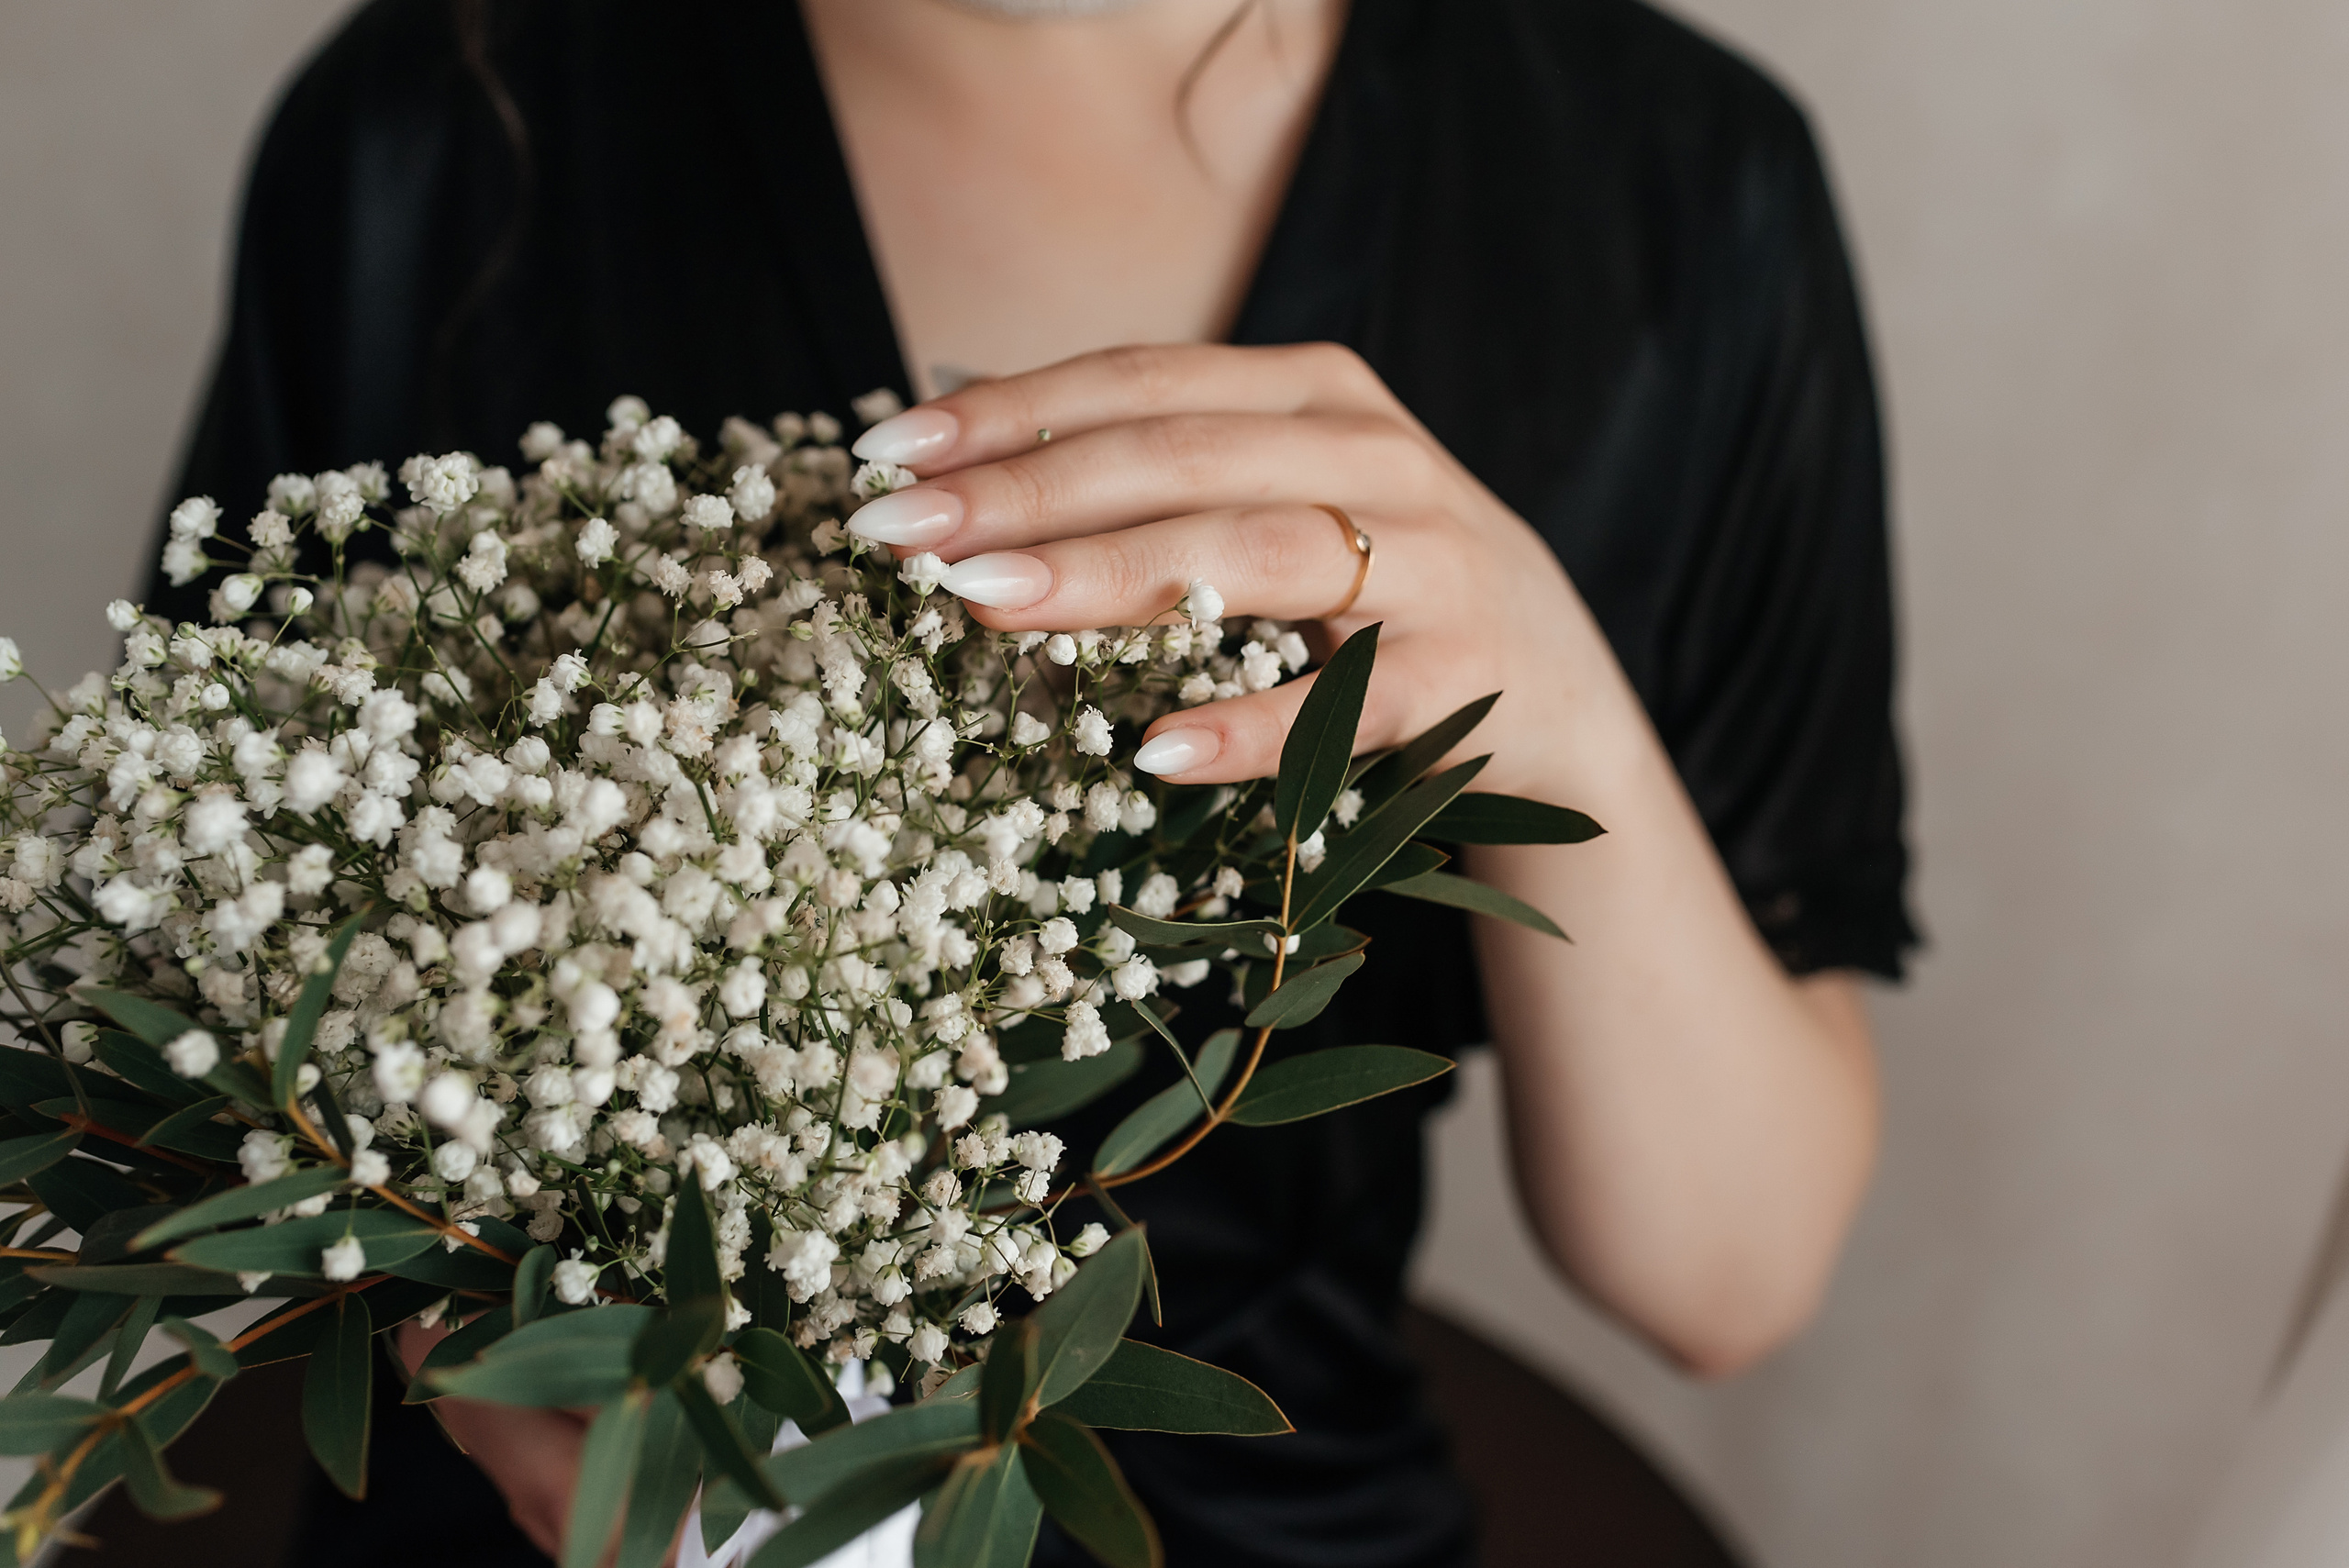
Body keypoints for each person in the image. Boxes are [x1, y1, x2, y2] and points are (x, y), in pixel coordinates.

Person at [159, 0, 1916, 1562]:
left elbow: (1724, 1276)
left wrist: (1560, 706)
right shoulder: (450, 116)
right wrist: (474, 1358)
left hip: (1247, 1510)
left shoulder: (1671, 188)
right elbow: (231, 974)